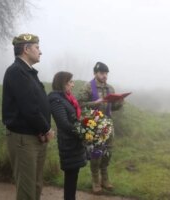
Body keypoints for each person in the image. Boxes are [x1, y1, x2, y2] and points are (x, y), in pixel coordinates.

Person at [2, 33, 54, 200]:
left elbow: (37, 104)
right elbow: (29, 108)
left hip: (34, 136)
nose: (40, 52)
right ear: (26, 49)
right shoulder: (16, 71)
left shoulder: (28, 72)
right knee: (27, 189)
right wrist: (45, 129)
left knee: (36, 185)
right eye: (37, 47)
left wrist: (41, 130)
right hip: (23, 139)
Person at [77, 62, 124, 193]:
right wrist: (94, 103)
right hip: (94, 125)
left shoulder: (110, 88)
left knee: (108, 152)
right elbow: (79, 105)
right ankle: (95, 180)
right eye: (102, 73)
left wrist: (119, 103)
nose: (105, 76)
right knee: (96, 152)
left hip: (108, 124)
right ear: (95, 73)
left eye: (106, 73)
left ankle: (105, 179)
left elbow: (112, 107)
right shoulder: (88, 87)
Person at [48, 71, 87, 200]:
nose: (73, 85)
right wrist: (83, 131)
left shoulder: (67, 98)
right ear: (62, 83)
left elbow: (73, 118)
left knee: (73, 176)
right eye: (70, 82)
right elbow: (64, 124)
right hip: (68, 144)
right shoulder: (56, 100)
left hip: (74, 143)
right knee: (70, 178)